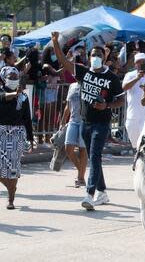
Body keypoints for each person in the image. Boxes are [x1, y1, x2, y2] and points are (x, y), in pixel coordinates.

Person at [50, 31, 125, 211]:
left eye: (99, 55)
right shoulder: (83, 72)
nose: (96, 57)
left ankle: (90, 194)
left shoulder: (112, 78)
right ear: (89, 57)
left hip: (101, 123)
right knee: (94, 157)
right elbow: (64, 62)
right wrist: (55, 43)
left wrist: (106, 105)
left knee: (95, 155)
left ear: (105, 56)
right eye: (93, 55)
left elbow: (121, 100)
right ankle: (102, 191)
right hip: (85, 122)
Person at [0, 66, 35, 209]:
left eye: (15, 77)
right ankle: (11, 188)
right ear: (4, 78)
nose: (13, 79)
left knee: (13, 167)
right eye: (10, 77)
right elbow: (1, 98)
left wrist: (31, 139)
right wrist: (14, 94)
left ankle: (11, 199)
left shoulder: (24, 97)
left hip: (17, 134)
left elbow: (27, 119)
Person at [59, 82, 87, 188]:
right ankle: (81, 171)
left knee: (82, 149)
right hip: (73, 120)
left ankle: (80, 178)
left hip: (84, 121)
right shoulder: (72, 86)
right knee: (68, 148)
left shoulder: (88, 84)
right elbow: (68, 105)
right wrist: (62, 121)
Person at [122, 52, 145, 149]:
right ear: (135, 64)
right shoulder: (130, 75)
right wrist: (137, 78)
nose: (141, 64)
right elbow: (124, 87)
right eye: (138, 62)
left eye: (143, 62)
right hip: (132, 116)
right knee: (136, 144)